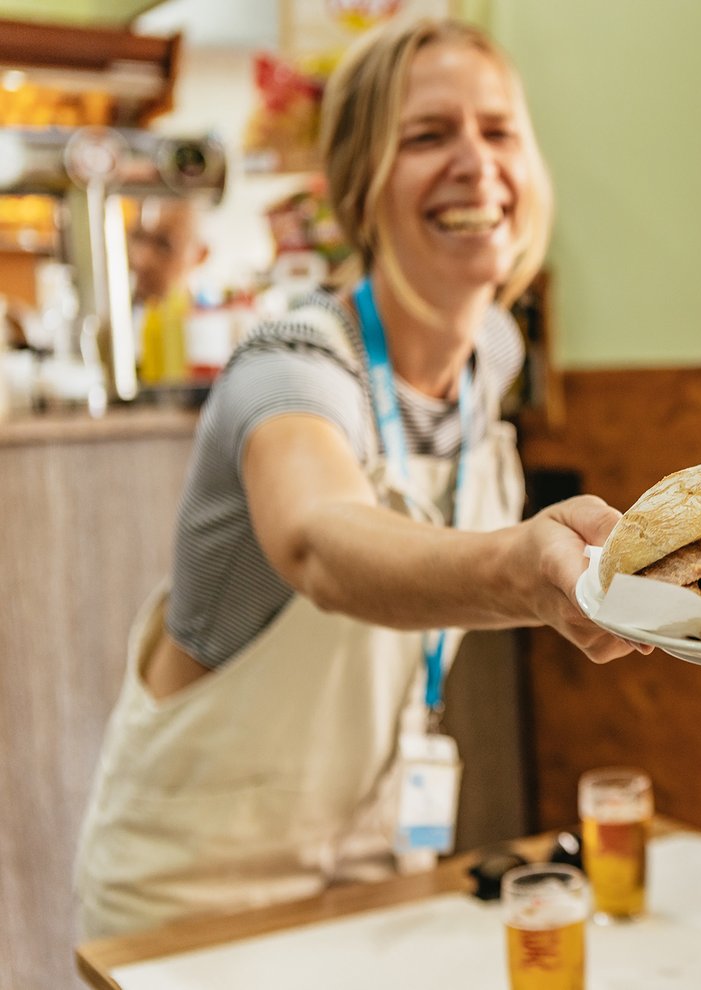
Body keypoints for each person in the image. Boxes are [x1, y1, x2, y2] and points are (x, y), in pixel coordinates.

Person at [75, 16, 641, 939]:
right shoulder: (292, 363)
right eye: (427, 136)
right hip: (198, 896)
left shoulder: (491, 355)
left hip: (378, 871)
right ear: (357, 185)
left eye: (497, 131)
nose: (475, 163)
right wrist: (520, 574)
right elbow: (320, 540)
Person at [127, 197, 208, 384]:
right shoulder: (110, 321)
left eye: (164, 245)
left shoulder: (209, 332)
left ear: (201, 255)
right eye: (138, 238)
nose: (140, 259)